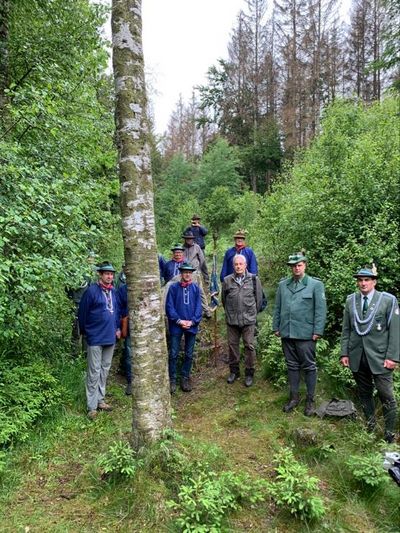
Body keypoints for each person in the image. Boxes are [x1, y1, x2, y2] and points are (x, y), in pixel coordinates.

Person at [340, 266, 399, 443]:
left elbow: (395, 331)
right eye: (360, 280)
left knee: (386, 395)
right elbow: (347, 329)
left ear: (374, 281)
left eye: (367, 280)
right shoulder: (351, 300)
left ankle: (389, 433)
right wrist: (344, 353)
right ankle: (370, 425)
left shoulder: (387, 300)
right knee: (364, 393)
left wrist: (393, 357)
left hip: (380, 358)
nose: (363, 283)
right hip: (357, 356)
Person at [272, 252, 326, 415]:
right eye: (293, 266)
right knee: (292, 366)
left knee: (309, 367)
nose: (296, 268)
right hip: (287, 332)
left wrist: (318, 330)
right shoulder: (283, 285)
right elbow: (278, 307)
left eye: (299, 265)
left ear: (305, 265)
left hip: (306, 333)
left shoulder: (315, 285)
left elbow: (320, 310)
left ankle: (310, 400)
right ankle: (294, 398)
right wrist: (276, 326)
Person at [78, 262, 121, 419]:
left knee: (105, 369)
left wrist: (117, 328)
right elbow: (82, 314)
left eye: (111, 274)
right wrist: (86, 332)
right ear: (100, 275)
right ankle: (91, 406)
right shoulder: (91, 292)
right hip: (95, 337)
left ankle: (101, 400)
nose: (109, 276)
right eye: (106, 274)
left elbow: (116, 312)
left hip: (110, 336)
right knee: (94, 371)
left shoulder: (113, 292)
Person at [222, 255, 263, 387]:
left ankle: (249, 373)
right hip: (232, 320)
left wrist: (251, 314)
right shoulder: (227, 280)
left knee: (249, 346)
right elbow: (224, 300)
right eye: (236, 264)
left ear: (245, 265)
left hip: (248, 320)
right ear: (233, 266)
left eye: (241, 264)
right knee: (232, 346)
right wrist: (230, 314)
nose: (238, 266)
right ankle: (234, 372)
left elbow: (259, 300)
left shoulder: (254, 279)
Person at [165, 262, 202, 393]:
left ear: (191, 274)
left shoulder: (196, 289)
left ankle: (185, 378)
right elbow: (169, 307)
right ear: (181, 273)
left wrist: (192, 321)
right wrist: (179, 321)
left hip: (191, 326)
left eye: (189, 272)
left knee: (189, 353)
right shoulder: (173, 288)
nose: (187, 274)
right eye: (185, 272)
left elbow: (199, 307)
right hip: (176, 326)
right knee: (174, 353)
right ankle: (172, 379)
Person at [116, 279, 132, 396]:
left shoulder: (145, 287)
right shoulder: (123, 289)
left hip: (146, 326)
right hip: (129, 326)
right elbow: (118, 307)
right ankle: (130, 381)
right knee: (129, 354)